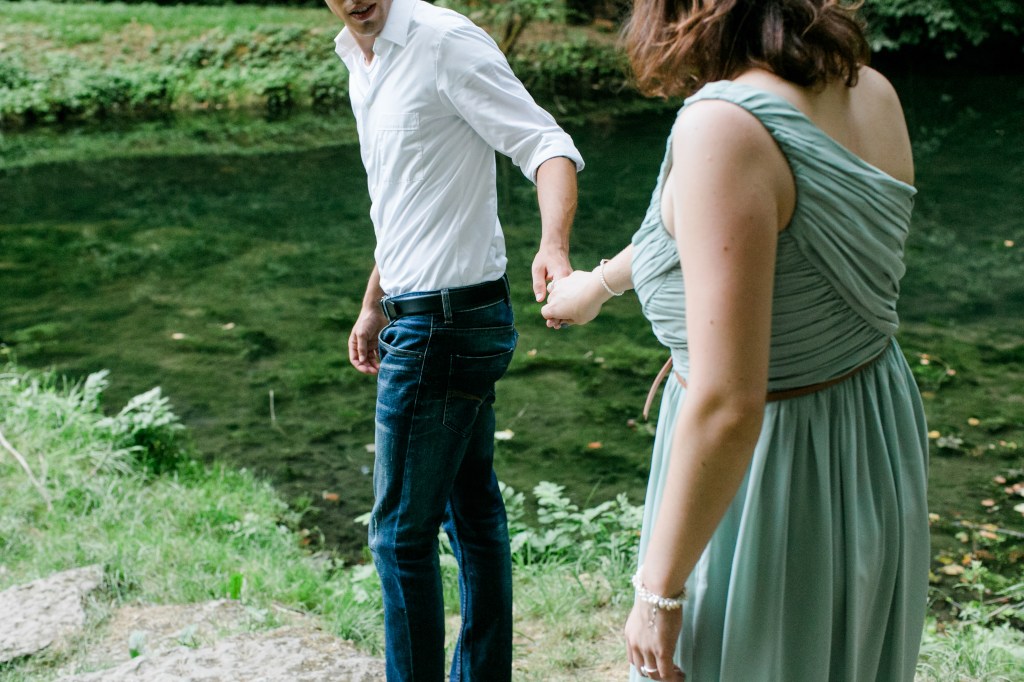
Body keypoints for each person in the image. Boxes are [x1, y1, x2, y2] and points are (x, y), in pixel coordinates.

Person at [542, 1, 929, 680]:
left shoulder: (723, 129)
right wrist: (596, 286)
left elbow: (727, 405)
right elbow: (734, 233)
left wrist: (658, 593)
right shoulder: (865, 87)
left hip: (772, 474)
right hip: (870, 434)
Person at [323, 0, 583, 679]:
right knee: (471, 511)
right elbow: (402, 203)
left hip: (445, 326)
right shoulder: (359, 59)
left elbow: (547, 146)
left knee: (397, 537)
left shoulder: (443, 42)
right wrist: (373, 303)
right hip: (429, 314)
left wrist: (554, 245)